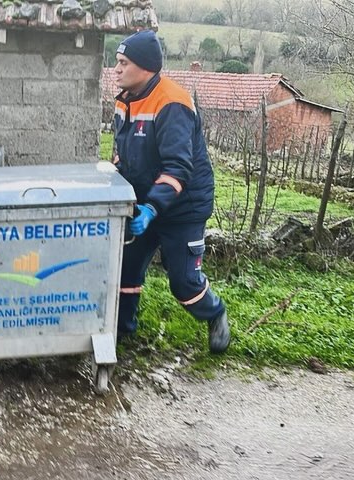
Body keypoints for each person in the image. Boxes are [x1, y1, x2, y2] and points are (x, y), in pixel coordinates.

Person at [111, 30, 230, 353]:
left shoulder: (172, 103)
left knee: (183, 281)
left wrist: (152, 209)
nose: (117, 69)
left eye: (123, 63)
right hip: (143, 201)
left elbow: (178, 167)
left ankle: (215, 313)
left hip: (182, 207)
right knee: (125, 268)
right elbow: (121, 152)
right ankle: (121, 331)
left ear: (146, 67)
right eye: (116, 62)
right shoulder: (125, 100)